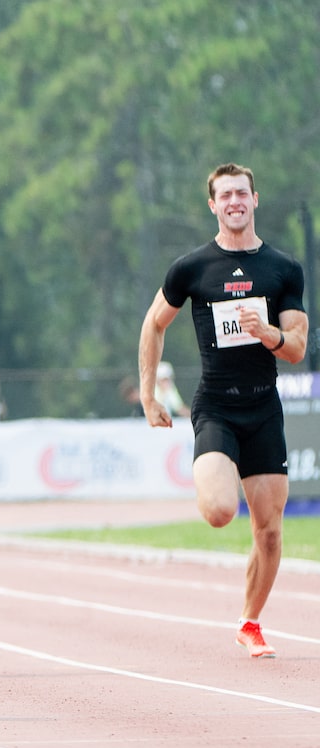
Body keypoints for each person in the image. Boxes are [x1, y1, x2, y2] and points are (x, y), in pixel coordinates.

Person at [138, 162, 308, 659]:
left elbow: (297, 347)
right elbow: (154, 324)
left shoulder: (283, 269)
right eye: (225, 195)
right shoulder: (192, 268)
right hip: (215, 406)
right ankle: (219, 472)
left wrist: (268, 333)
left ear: (255, 199)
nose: (234, 201)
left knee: (270, 531)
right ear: (213, 205)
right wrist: (149, 395)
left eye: (242, 193)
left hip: (264, 408)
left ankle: (250, 622)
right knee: (217, 511)